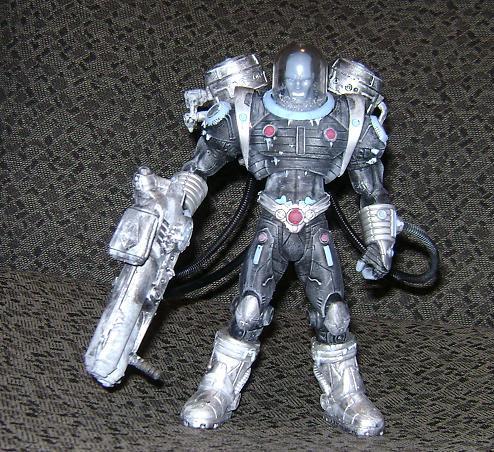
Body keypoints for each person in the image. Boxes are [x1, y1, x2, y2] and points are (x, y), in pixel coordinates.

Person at [179, 42, 397, 437]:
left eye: (305, 79)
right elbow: (198, 168)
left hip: (316, 229)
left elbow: (371, 190)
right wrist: (174, 209)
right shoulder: (248, 112)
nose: (298, 86)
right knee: (248, 310)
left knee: (335, 315)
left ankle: (345, 394)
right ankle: (217, 388)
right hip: (272, 226)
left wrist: (380, 243)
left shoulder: (349, 119)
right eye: (292, 78)